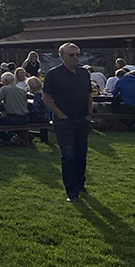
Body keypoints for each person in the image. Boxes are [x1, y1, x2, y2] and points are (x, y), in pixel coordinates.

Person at [42, 42, 93, 202]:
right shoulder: (54, 74)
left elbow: (89, 95)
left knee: (81, 154)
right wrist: (60, 114)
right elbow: (46, 97)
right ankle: (71, 191)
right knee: (68, 155)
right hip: (64, 121)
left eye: (78, 54)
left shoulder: (84, 73)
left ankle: (80, 184)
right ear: (62, 57)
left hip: (82, 118)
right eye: (72, 55)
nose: (76, 57)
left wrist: (89, 114)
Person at [0, 72, 31, 144]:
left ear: (6, 81)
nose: (1, 82)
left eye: (2, 80)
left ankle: (8, 139)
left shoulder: (5, 89)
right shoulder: (22, 90)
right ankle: (20, 138)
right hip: (25, 118)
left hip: (14, 118)